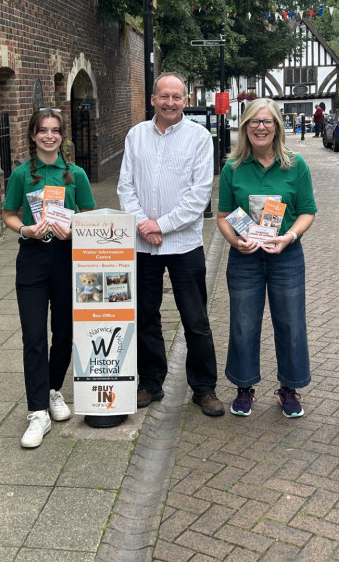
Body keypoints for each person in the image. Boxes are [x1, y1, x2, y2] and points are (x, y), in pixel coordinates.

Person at [117, 72, 224, 417]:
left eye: (177, 97)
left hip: (184, 244)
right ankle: (150, 382)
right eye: (164, 96)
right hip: (141, 244)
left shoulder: (198, 138)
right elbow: (125, 188)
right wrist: (142, 225)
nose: (170, 103)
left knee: (195, 319)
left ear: (185, 99)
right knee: (145, 315)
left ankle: (204, 388)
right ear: (153, 100)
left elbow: (199, 194)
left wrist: (160, 224)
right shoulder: (135, 136)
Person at [2, 108, 96, 449]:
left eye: (55, 130)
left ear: (62, 136)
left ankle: (53, 389)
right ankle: (37, 411)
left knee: (65, 331)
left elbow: (89, 216)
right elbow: (9, 215)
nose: (49, 136)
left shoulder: (77, 176)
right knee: (33, 335)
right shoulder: (21, 175)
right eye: (43, 130)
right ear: (32, 135)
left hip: (68, 258)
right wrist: (26, 228)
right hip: (32, 258)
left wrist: (72, 230)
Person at [217, 98, 316, 418]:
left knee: (290, 323)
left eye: (267, 122)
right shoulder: (233, 167)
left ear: (277, 126)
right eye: (254, 122)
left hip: (286, 256)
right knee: (244, 324)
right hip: (245, 258)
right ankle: (244, 387)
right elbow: (223, 216)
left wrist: (289, 237)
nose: (261, 127)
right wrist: (236, 241)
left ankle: (289, 388)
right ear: (245, 127)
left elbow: (307, 212)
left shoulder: (296, 165)